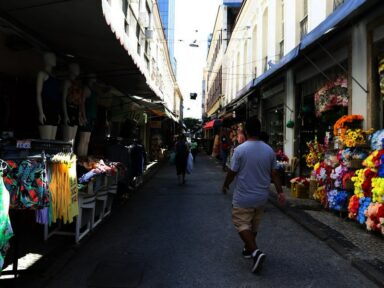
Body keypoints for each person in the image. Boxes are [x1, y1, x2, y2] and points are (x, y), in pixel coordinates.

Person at [222, 116, 285, 274]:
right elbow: (275, 174)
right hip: (261, 198)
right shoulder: (269, 150)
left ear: (246, 131)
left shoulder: (240, 150)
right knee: (254, 225)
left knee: (241, 223)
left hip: (243, 197)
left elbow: (232, 171)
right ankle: (247, 249)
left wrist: (225, 184)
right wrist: (280, 192)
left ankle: (255, 252)